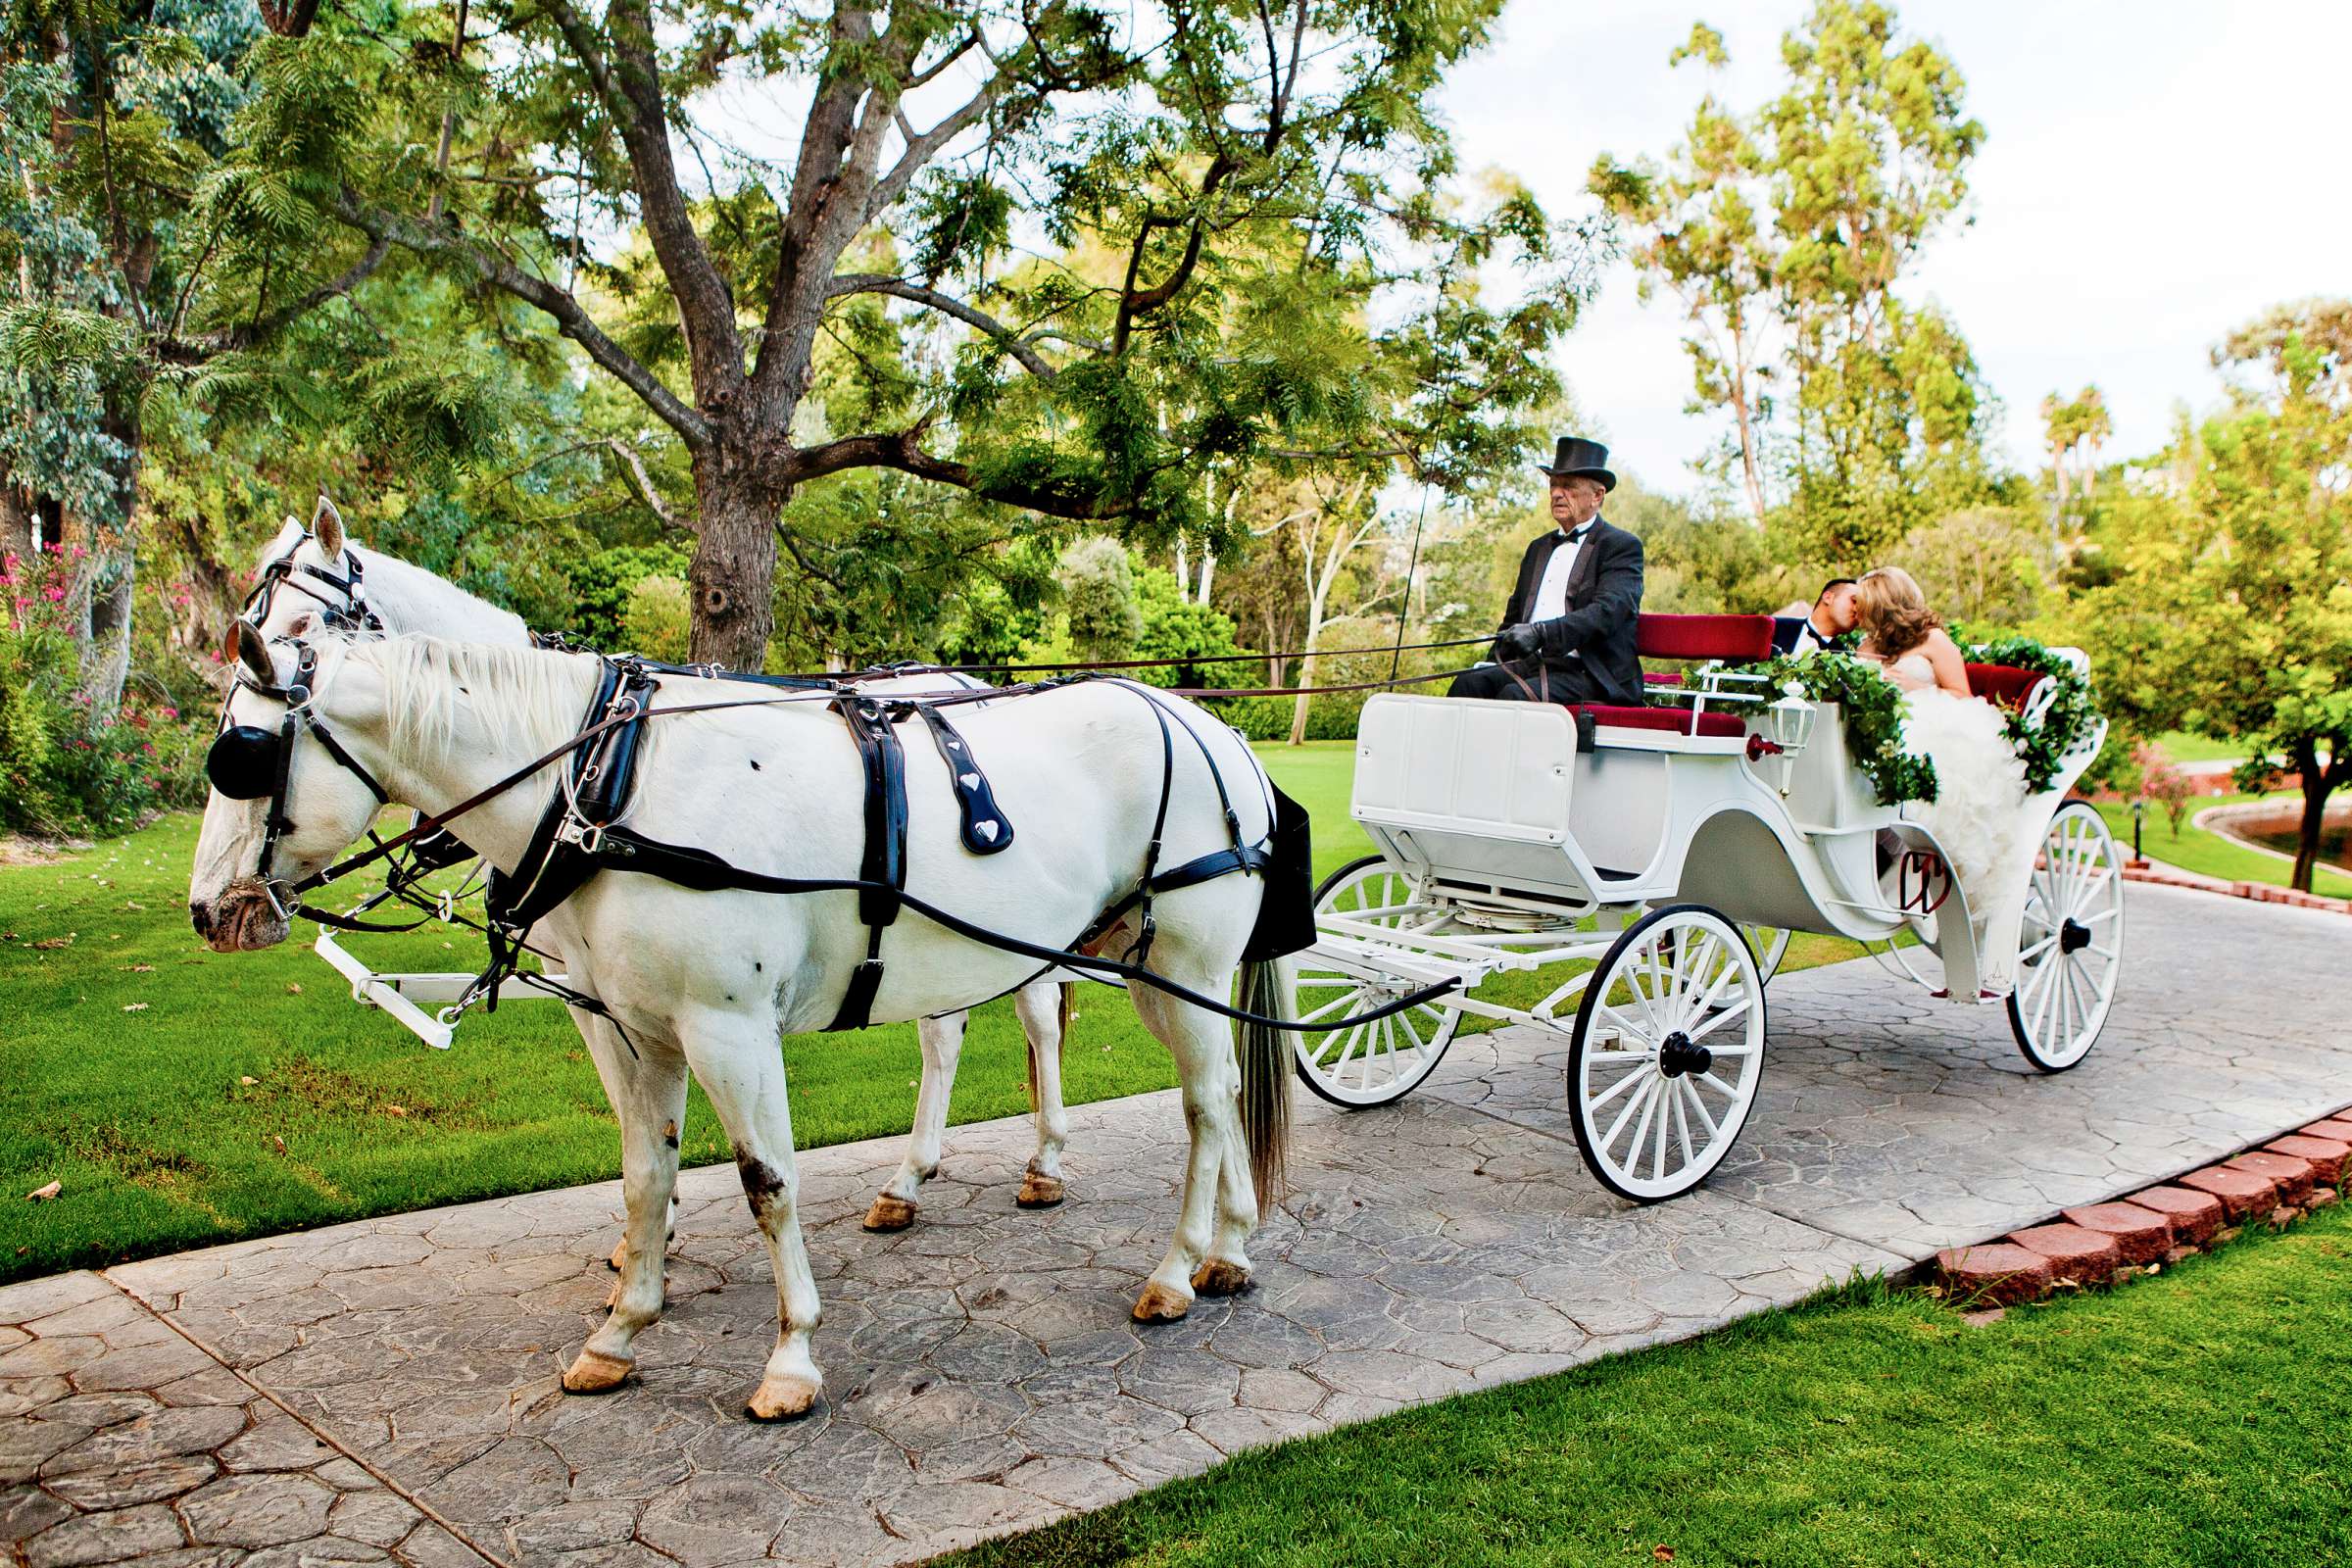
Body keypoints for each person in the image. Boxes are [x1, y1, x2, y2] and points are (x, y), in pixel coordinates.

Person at [1851, 565, 2035, 996]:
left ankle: (1926, 875)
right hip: (1885, 729)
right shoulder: (1866, 646)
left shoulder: (1934, 641)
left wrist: (1913, 691)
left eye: (1864, 602)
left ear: (1884, 602)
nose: (1857, 611)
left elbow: (1961, 695)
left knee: (1919, 763)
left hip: (1937, 728)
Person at [1446, 436, 1644, 706]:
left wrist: (1542, 633)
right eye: (1554, 485)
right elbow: (1514, 615)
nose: (1556, 494)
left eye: (1569, 487)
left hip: (1590, 673)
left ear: (1597, 496)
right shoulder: (1537, 548)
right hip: (1530, 666)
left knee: (1514, 697)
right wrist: (1493, 660)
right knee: (1468, 684)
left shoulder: (1620, 546)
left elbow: (1608, 612)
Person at [1771, 577, 1860, 656]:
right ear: (1828, 598)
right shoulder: (1775, 627)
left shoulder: (1845, 658)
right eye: (1854, 601)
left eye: (1862, 607)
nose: (1858, 610)